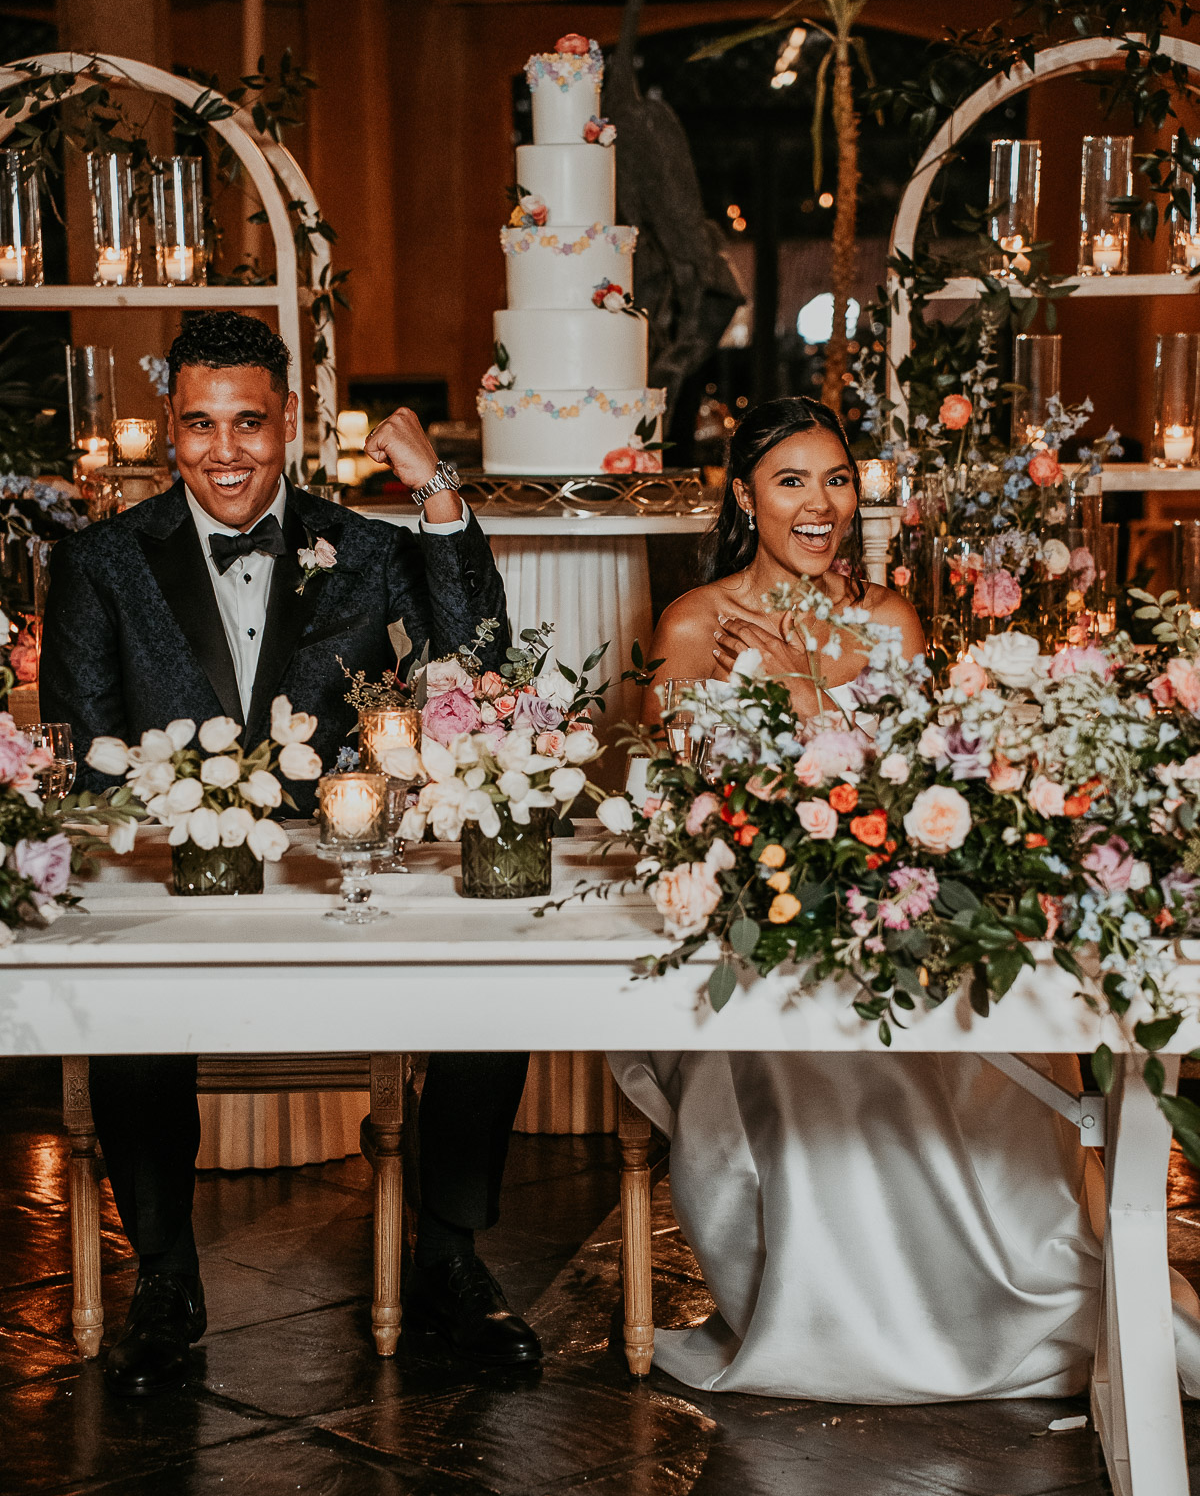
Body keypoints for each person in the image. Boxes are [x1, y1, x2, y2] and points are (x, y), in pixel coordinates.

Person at [609, 395, 1200, 1402]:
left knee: (953, 1026)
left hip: (891, 910)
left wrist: (799, 691)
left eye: (837, 479)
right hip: (757, 927)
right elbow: (674, 800)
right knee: (786, 1044)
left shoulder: (888, 618)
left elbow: (926, 783)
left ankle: (986, 1296)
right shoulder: (691, 624)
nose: (820, 504)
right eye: (791, 480)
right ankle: (828, 1315)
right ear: (746, 496)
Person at [40, 311, 537, 1395]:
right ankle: (166, 1275)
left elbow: (478, 657)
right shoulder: (100, 564)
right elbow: (80, 760)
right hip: (173, 876)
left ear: (291, 423)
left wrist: (434, 495)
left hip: (340, 869)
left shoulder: (363, 550)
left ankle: (450, 1258)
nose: (226, 451)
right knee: (124, 990)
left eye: (250, 424)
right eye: (200, 425)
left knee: (494, 985)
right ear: (167, 426)